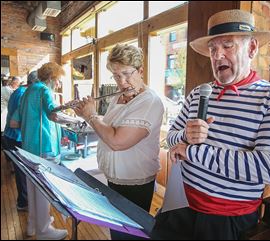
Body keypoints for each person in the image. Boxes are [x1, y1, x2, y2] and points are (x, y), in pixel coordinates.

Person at [151, 9, 270, 240]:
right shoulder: (199, 92)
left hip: (227, 221)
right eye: (212, 49)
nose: (218, 56)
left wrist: (193, 152)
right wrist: (185, 136)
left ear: (251, 48)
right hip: (178, 205)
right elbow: (170, 138)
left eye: (228, 46)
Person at [74, 44, 164, 240]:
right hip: (114, 178)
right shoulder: (118, 97)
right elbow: (107, 129)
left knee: (130, 236)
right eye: (116, 75)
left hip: (135, 183)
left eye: (126, 74)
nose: (122, 82)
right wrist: (86, 114)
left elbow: (117, 141)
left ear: (140, 71)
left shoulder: (149, 101)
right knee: (117, 233)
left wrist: (91, 116)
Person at [10, 62, 80, 240]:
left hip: (28, 148)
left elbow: (14, 122)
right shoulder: (44, 91)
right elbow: (53, 115)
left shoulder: (27, 91)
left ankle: (33, 225)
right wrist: (71, 120)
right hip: (44, 148)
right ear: (51, 78)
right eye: (58, 81)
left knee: (33, 188)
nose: (58, 84)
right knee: (43, 190)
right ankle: (44, 230)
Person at [2, 71, 38, 211]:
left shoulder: (20, 91)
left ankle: (24, 201)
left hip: (12, 136)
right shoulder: (24, 95)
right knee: (22, 171)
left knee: (21, 171)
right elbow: (17, 121)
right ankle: (23, 202)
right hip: (15, 137)